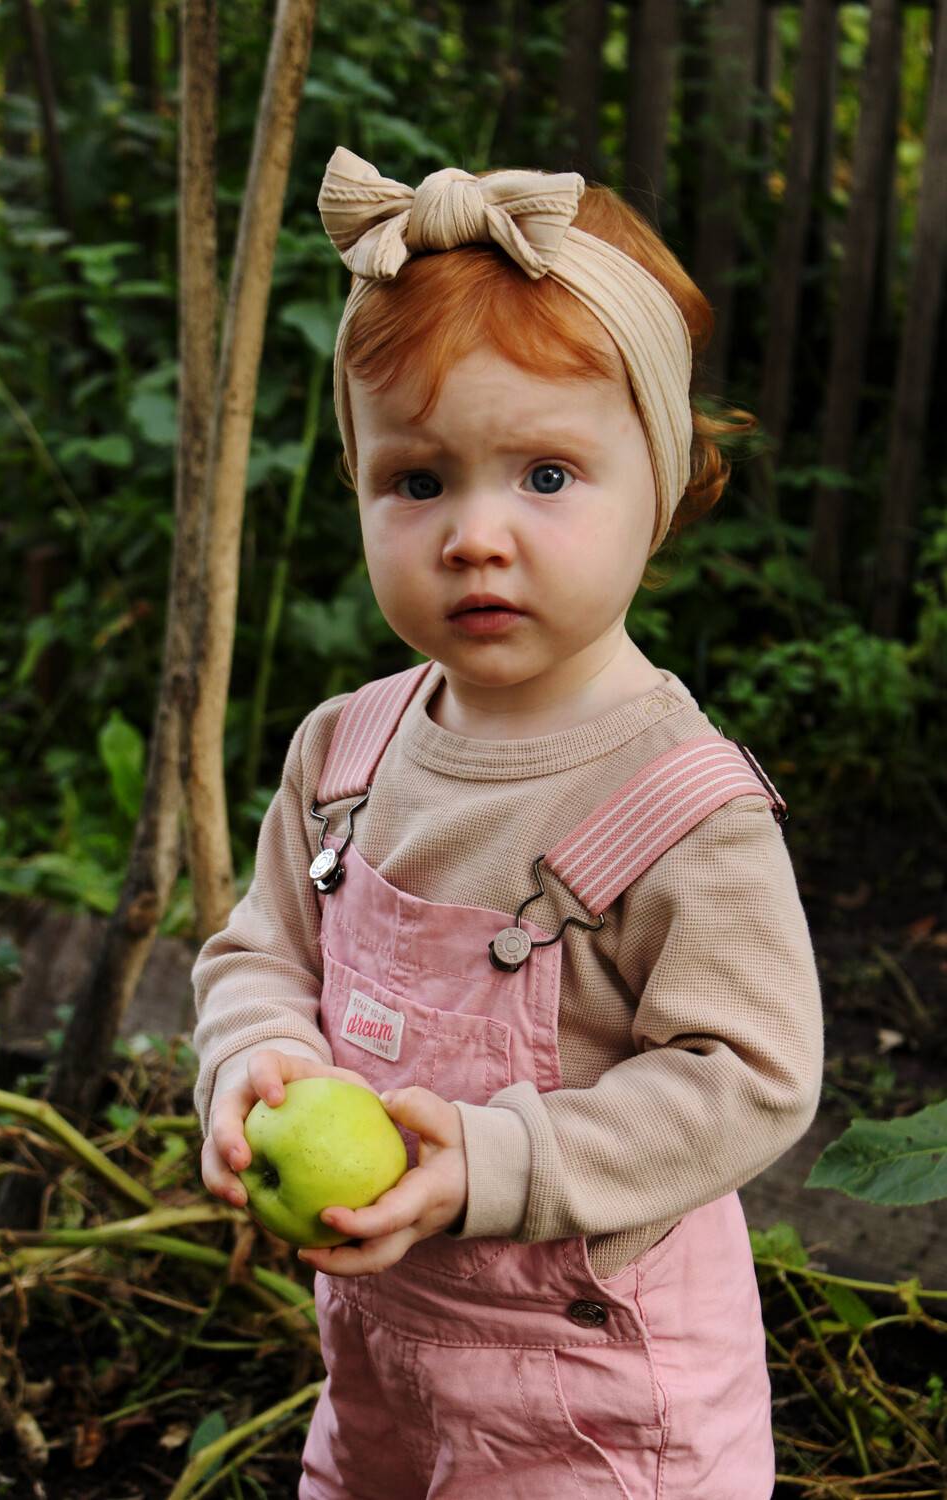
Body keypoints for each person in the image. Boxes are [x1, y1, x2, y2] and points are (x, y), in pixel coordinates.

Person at [193, 145, 824, 1499]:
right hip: (384, 1376)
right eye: (419, 481)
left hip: (598, 1413)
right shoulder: (345, 756)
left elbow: (748, 1075)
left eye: (545, 475)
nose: (475, 535)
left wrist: (497, 1161)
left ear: (662, 485)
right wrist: (255, 1055)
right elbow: (260, 954)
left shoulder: (682, 808)